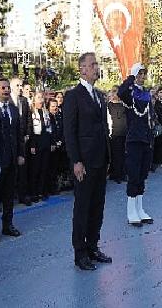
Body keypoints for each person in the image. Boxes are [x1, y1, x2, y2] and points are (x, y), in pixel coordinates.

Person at [63, 52, 112, 271]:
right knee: (82, 208)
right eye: (92, 65)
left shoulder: (100, 96)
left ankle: (93, 246)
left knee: (97, 207)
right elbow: (70, 132)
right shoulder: (74, 96)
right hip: (84, 162)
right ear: (82, 69)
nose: (96, 67)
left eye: (96, 64)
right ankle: (80, 253)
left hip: (100, 160)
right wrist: (76, 161)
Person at [0, 78, 24, 244]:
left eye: (8, 88)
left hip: (12, 159)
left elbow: (18, 134)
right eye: (3, 88)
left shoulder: (14, 110)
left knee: (9, 196)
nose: (6, 90)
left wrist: (20, 154)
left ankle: (8, 225)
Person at [118, 63, 156, 228]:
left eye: (143, 74)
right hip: (133, 139)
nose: (142, 76)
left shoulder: (146, 95)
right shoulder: (130, 94)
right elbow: (121, 92)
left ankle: (140, 209)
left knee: (142, 175)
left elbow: (149, 117)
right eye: (139, 74)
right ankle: (131, 211)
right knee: (133, 175)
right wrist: (130, 79)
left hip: (145, 138)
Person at [10, 77, 32, 206]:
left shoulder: (23, 101)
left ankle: (23, 195)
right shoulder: (7, 100)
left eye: (21, 85)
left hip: (22, 140)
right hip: (10, 140)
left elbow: (28, 118)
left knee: (23, 168)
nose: (20, 88)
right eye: (17, 85)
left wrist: (27, 134)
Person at [28, 92, 51, 203]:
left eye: (41, 98)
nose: (40, 100)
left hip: (45, 141)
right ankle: (34, 192)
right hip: (36, 142)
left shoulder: (46, 112)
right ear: (34, 100)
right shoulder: (31, 112)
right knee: (35, 169)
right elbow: (31, 129)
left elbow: (49, 128)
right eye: (38, 98)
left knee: (44, 168)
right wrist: (32, 144)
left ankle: (42, 191)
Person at [107, 86, 127, 183]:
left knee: (123, 154)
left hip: (124, 132)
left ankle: (122, 173)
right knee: (116, 155)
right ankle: (116, 175)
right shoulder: (108, 105)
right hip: (114, 133)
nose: (115, 95)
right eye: (114, 92)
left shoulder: (124, 105)